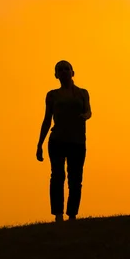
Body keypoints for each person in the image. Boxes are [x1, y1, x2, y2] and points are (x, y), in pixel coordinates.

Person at [36, 61, 91, 222]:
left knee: (75, 178)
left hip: (77, 140)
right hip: (57, 140)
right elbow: (47, 119)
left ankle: (72, 214)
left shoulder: (82, 93)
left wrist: (85, 116)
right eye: (60, 69)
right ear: (56, 75)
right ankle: (58, 214)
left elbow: (88, 110)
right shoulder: (52, 95)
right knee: (57, 176)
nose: (64, 71)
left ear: (73, 72)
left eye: (66, 68)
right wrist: (39, 144)